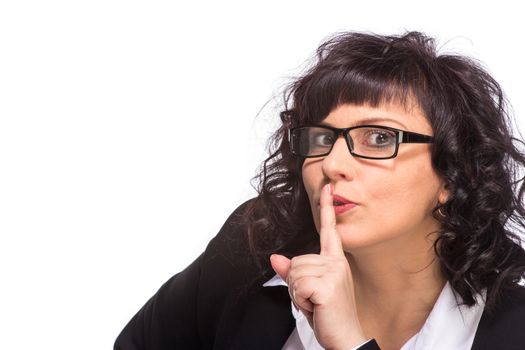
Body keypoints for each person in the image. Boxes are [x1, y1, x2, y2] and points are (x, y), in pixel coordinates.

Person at [114, 31, 525, 350]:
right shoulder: (252, 248)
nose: (332, 165)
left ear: (454, 175)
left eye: (379, 138)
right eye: (321, 138)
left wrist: (348, 342)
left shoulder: (513, 324)